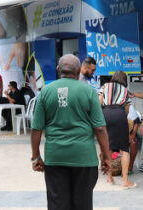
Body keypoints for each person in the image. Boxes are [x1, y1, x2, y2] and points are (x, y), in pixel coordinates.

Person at [30, 54, 111, 210]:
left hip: (56, 157)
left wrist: (36, 156)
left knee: (57, 204)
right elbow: (100, 128)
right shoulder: (89, 92)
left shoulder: (46, 91)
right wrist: (106, 156)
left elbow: (36, 128)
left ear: (58, 69)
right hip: (84, 158)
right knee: (82, 204)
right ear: (78, 70)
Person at [99, 71, 137, 189]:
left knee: (108, 147)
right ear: (124, 80)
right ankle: (125, 181)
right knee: (124, 149)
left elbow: (99, 103)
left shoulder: (105, 86)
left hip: (106, 114)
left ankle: (110, 178)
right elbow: (127, 109)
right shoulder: (126, 91)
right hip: (120, 114)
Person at [127, 104, 141, 174]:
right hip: (117, 131)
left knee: (133, 142)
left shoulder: (129, 106)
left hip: (130, 129)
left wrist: (132, 135)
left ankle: (130, 166)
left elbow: (136, 122)